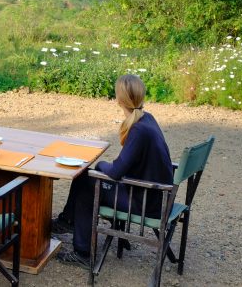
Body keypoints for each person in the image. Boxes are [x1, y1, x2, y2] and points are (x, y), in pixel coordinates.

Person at [55, 74, 173, 268]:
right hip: (155, 196)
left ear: (119, 100)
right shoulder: (147, 119)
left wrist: (101, 166)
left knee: (87, 183)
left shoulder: (138, 130)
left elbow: (116, 171)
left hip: (143, 202)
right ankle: (68, 220)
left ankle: (82, 252)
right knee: (85, 176)